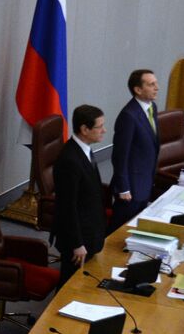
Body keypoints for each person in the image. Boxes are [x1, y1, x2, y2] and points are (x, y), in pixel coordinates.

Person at [51, 104, 108, 285]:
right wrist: (77, 244)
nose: (104, 130)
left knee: (82, 283)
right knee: (69, 285)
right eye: (99, 127)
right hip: (77, 239)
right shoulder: (70, 160)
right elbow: (67, 207)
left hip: (90, 231)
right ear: (84, 129)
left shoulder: (85, 150)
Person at [109, 69, 161, 230]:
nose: (157, 87)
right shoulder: (128, 116)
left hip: (145, 181)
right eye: (151, 84)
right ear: (138, 90)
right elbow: (119, 155)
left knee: (134, 228)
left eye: (156, 83)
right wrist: (123, 187)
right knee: (119, 229)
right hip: (130, 188)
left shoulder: (152, 107)